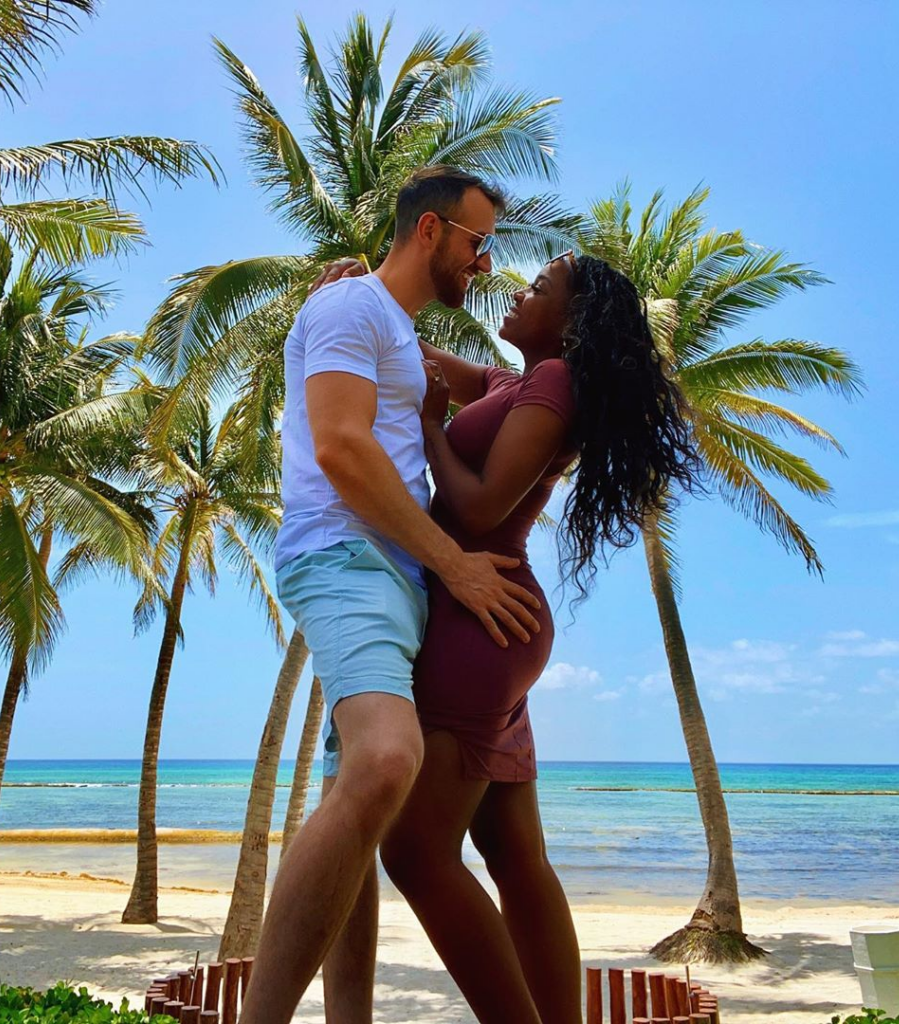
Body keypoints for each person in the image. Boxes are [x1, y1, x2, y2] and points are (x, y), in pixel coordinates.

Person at [313, 250, 698, 1022]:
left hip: (477, 619)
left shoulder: (554, 383)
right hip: (494, 624)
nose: (518, 290)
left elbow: (483, 508)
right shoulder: (512, 382)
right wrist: (354, 296)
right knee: (514, 855)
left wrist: (426, 428)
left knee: (416, 854)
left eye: (540, 288)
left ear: (573, 319)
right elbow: (412, 355)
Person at [239, 166, 544, 1024]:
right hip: (346, 557)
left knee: (357, 805)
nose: (485, 264)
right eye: (479, 243)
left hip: (395, 575)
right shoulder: (350, 309)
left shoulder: (396, 332)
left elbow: (510, 390)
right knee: (385, 761)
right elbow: (338, 446)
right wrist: (455, 563)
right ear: (430, 232)